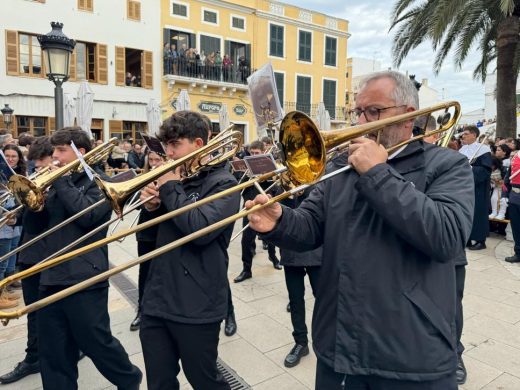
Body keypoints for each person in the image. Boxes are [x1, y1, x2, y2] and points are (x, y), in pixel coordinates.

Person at [246, 71, 474, 389]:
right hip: (339, 348)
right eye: (358, 111)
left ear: (409, 116)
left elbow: (446, 237)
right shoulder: (341, 167)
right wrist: (279, 221)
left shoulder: (448, 166)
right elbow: (310, 227)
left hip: (411, 357)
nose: (361, 120)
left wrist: (378, 172)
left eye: (374, 111)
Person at [28, 127, 142, 389]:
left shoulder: (99, 181)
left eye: (60, 150)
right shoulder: (56, 182)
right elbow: (35, 229)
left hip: (85, 274)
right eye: (54, 150)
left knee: (95, 341)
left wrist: (60, 183)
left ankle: (129, 378)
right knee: (53, 350)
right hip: (51, 273)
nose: (54, 156)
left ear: (80, 152)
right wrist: (34, 203)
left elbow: (89, 217)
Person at [139, 111, 240, 390]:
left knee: (204, 380)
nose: (168, 153)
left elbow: (200, 231)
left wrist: (170, 187)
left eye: (175, 145)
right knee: (159, 382)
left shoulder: (224, 183)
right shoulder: (176, 180)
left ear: (197, 144)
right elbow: (147, 239)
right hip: (158, 298)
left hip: (197, 304)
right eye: (166, 145)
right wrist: (150, 209)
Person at [0, 137, 54, 384]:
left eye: (41, 163)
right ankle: (34, 356)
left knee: (48, 311)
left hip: (50, 255)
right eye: (34, 164)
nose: (37, 169)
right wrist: (16, 218)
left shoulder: (64, 182)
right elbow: (30, 216)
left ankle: (39, 356)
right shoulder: (35, 178)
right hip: (30, 253)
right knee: (34, 310)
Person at [280, 188, 321, 368]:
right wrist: (284, 192)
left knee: (324, 299)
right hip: (290, 247)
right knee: (295, 300)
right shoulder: (282, 178)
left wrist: (305, 189)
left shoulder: (320, 174)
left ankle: (329, 339)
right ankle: (301, 342)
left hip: (316, 250)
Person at [234, 140, 281, 284]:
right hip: (250, 207)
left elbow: (276, 187)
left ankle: (274, 258)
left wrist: (266, 175)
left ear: (263, 151)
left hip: (266, 208)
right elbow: (239, 186)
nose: (254, 156)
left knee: (271, 238)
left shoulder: (270, 166)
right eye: (252, 153)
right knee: (246, 240)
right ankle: (246, 269)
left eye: (257, 153)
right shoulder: (246, 168)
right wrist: (245, 175)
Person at [129, 150, 163, 331]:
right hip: (146, 230)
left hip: (164, 230)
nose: (155, 162)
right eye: (151, 160)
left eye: (159, 159)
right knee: (145, 271)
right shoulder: (145, 176)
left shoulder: (172, 176)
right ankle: (142, 310)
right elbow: (133, 205)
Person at [459, 125, 492, 250]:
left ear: (474, 134)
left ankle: (480, 240)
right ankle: (466, 237)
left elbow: (486, 170)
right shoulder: (462, 149)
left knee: (478, 213)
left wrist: (471, 168)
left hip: (478, 188)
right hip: (464, 186)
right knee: (465, 212)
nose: (463, 136)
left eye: (466, 134)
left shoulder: (483, 149)